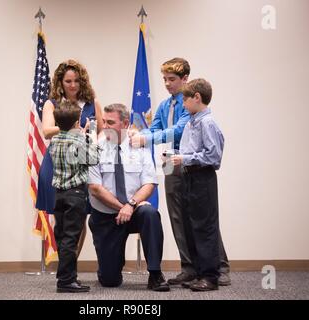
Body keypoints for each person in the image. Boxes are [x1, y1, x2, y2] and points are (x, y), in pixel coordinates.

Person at [129, 58, 231, 286]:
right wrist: (138, 133)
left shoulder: (190, 107)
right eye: (164, 79)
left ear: (185, 79)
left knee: (202, 218)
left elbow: (176, 132)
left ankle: (218, 268)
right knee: (178, 216)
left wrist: (146, 138)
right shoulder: (166, 105)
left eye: (172, 79)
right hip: (168, 161)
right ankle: (190, 267)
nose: (167, 84)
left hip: (189, 161)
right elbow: (155, 128)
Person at [88, 103, 170, 292]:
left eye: (111, 122)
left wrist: (130, 205)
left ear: (125, 124)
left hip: (134, 210)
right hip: (107, 216)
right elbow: (95, 188)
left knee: (150, 213)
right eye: (104, 122)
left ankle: (156, 274)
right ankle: (111, 262)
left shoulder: (139, 147)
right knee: (110, 281)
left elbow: (149, 183)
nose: (105, 127)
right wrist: (121, 207)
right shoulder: (95, 149)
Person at [35, 59, 103, 258]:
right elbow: (47, 131)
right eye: (68, 81)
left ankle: (71, 262)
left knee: (79, 214)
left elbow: (103, 130)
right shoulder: (52, 103)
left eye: (76, 81)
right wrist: (73, 128)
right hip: (57, 162)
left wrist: (93, 141)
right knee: (61, 214)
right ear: (60, 82)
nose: (73, 85)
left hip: (82, 161)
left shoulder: (92, 103)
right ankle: (65, 260)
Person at [169, 78, 224, 291]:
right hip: (189, 177)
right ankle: (199, 272)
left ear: (197, 98)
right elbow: (192, 150)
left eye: (185, 99)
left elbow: (214, 156)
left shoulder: (207, 123)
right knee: (192, 226)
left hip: (202, 178)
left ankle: (210, 276)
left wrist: (186, 159)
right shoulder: (193, 121)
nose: (183, 104)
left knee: (205, 227)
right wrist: (178, 156)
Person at [49, 100, 99, 293]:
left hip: (59, 194)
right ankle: (67, 280)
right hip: (75, 194)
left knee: (62, 236)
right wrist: (89, 136)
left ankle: (64, 275)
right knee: (71, 237)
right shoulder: (79, 140)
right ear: (77, 121)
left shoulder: (54, 140)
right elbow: (93, 159)